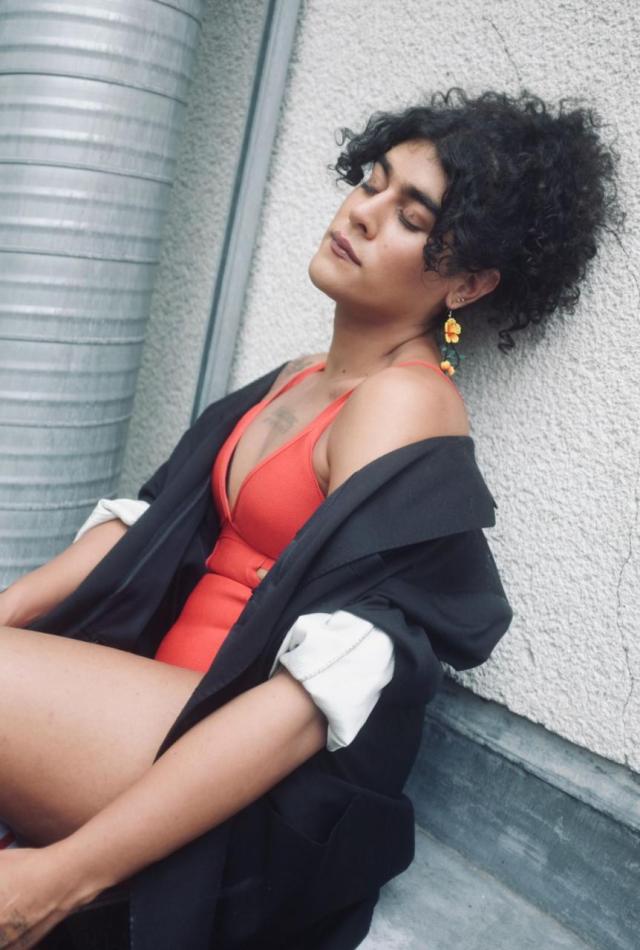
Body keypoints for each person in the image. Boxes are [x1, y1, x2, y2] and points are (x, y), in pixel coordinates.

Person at [0, 88, 621, 949]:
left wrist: (60, 878)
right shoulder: (298, 378)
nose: (362, 213)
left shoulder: (404, 404)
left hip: (234, 792)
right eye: (371, 181)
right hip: (148, 718)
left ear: (469, 284)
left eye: (411, 216)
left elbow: (330, 684)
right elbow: (150, 521)